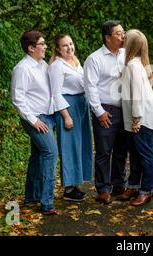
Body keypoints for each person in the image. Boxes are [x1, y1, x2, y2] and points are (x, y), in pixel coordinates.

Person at [83, 20, 138, 204]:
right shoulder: (95, 59)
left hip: (125, 109)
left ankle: (118, 185)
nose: (123, 36)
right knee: (104, 151)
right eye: (119, 33)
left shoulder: (126, 55)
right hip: (105, 110)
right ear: (107, 37)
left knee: (122, 150)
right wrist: (99, 112)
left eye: (124, 32)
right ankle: (103, 189)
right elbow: (90, 87)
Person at [11, 31, 58, 215]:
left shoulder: (42, 64)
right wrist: (34, 120)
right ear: (31, 48)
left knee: (37, 156)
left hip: (47, 117)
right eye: (42, 44)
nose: (45, 46)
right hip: (35, 118)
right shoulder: (22, 68)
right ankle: (47, 203)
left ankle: (31, 196)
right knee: (50, 153)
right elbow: (17, 99)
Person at [48, 34, 93, 202]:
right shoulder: (57, 66)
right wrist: (66, 116)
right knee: (69, 146)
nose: (69, 47)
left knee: (81, 145)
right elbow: (56, 93)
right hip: (68, 107)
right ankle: (68, 188)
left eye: (71, 44)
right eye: (65, 46)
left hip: (81, 105)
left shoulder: (75, 62)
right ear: (58, 49)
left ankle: (75, 184)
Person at [120, 29, 153, 206]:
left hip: (141, 119)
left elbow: (137, 95)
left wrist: (136, 119)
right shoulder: (136, 63)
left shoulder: (133, 66)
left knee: (145, 156)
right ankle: (134, 186)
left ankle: (146, 191)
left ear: (130, 44)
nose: (122, 39)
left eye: (124, 38)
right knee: (135, 155)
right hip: (137, 118)